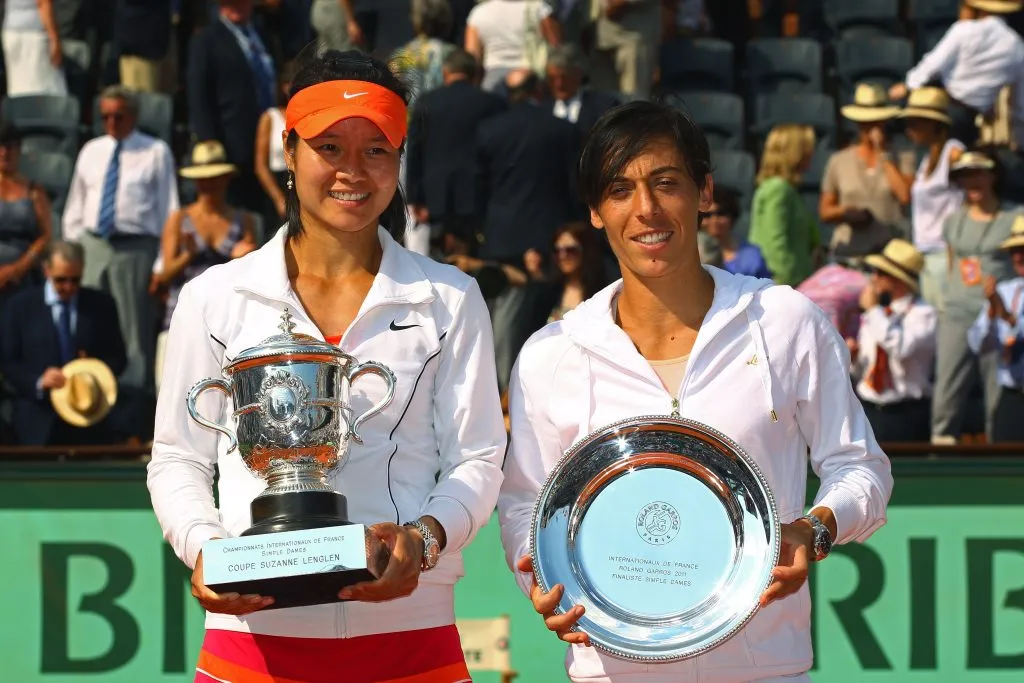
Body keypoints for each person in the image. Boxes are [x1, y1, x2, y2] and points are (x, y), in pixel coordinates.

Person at [498, 100, 893, 683]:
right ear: (596, 211)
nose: (646, 210)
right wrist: (543, 581)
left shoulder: (784, 321)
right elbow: (525, 504)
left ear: (704, 192)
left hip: (766, 669)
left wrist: (815, 528)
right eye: (620, 190)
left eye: (666, 183)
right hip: (608, 668)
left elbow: (862, 468)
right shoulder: (551, 353)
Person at [148, 48, 506, 682]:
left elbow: (477, 457)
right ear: (289, 154)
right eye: (330, 147)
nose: (353, 171)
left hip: (412, 642)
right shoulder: (213, 296)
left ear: (399, 160)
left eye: (377, 149)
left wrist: (421, 540)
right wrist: (205, 549)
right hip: (251, 647)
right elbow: (179, 457)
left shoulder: (451, 298)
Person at [62, 85, 178, 440]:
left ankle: (133, 422)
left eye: (119, 115)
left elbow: (168, 209)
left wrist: (160, 265)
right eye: (105, 116)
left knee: (134, 338)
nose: (111, 122)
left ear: (134, 115)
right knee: (89, 329)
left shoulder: (155, 151)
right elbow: (75, 207)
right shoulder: (91, 151)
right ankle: (88, 410)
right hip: (94, 246)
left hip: (135, 249)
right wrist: (75, 252)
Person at [0, 241, 126, 446]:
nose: (68, 287)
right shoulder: (20, 306)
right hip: (37, 419)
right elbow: (8, 361)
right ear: (46, 270)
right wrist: (39, 381)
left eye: (75, 280)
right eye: (61, 280)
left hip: (88, 417)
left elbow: (118, 358)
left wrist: (95, 370)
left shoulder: (101, 305)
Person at [933, 150, 1018, 443]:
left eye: (978, 172)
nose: (972, 180)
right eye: (965, 175)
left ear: (993, 174)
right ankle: (938, 453)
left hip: (996, 315)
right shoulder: (953, 221)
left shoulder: (1014, 216)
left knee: (997, 393)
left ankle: (997, 458)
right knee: (947, 390)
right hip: (956, 313)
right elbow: (952, 261)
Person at [406, 49, 505, 255]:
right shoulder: (494, 104)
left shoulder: (427, 102)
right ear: (476, 74)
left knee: (439, 256)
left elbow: (414, 150)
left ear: (445, 72)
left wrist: (415, 196)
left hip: (436, 193)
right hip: (480, 192)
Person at [889, 0, 1024, 146]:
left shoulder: (964, 30)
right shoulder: (1017, 47)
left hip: (943, 106)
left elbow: (934, 62)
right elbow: (1018, 104)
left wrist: (908, 85)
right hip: (971, 118)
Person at [850, 239, 937, 443]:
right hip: (870, 411)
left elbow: (901, 348)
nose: (873, 278)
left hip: (907, 415)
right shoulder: (878, 315)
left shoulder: (924, 314)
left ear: (897, 279)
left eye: (880, 272)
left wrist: (872, 311)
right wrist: (853, 357)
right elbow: (863, 367)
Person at [820, 83, 911, 262]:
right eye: (866, 124)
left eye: (876, 123)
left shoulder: (903, 157)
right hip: (849, 252)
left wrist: (883, 155)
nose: (871, 129)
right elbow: (825, 211)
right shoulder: (839, 161)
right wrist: (846, 212)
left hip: (888, 255)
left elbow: (904, 196)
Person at [900, 87, 965, 313]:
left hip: (944, 254)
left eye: (915, 123)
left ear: (934, 124)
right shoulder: (926, 159)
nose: (909, 130)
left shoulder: (954, 152)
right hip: (924, 254)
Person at [968, 215, 1024, 441]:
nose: (1018, 257)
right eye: (1014, 251)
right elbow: (978, 345)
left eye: (1023, 249)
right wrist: (992, 314)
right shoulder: (1007, 290)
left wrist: (1008, 318)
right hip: (1011, 397)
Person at [748, 124, 820, 287]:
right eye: (806, 149)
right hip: (785, 283)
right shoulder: (778, 189)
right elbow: (774, 242)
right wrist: (788, 285)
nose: (811, 154)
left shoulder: (785, 188)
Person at [0, 122, 53, 310]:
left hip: (23, 275)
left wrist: (18, 268)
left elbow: (46, 236)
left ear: (19, 149)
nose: (5, 153)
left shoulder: (34, 191)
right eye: (1, 146)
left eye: (10, 147)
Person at [465, 0, 562, 91]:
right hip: (531, 76)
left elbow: (472, 57)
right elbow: (556, 45)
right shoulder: (539, 8)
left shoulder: (478, 13)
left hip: (492, 78)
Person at [255, 61, 299, 226]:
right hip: (278, 184)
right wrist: (279, 199)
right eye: (288, 83)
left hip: (302, 183)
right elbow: (260, 166)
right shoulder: (270, 117)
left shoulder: (309, 117)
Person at [542, 44, 619, 136]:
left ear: (577, 74)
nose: (559, 84)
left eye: (564, 77)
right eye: (552, 79)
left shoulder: (603, 106)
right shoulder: (540, 110)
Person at [701, 186, 771, 278]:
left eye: (721, 213)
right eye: (707, 215)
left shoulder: (752, 255)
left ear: (732, 216)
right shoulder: (688, 255)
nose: (714, 220)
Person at [1, 0, 66, 96]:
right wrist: (54, 39)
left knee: (18, 87)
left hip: (11, 31)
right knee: (46, 89)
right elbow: (43, 3)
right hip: (34, 35)